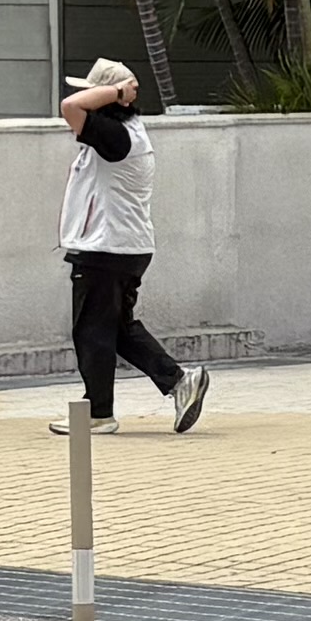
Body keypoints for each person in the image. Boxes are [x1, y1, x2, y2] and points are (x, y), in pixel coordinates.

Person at [59, 58, 206, 433]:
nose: (84, 97)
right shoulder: (125, 133)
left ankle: (98, 414)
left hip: (106, 249)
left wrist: (119, 92)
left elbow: (69, 108)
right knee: (116, 330)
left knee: (90, 330)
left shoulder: (117, 137)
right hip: (123, 247)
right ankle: (179, 381)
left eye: (93, 92)